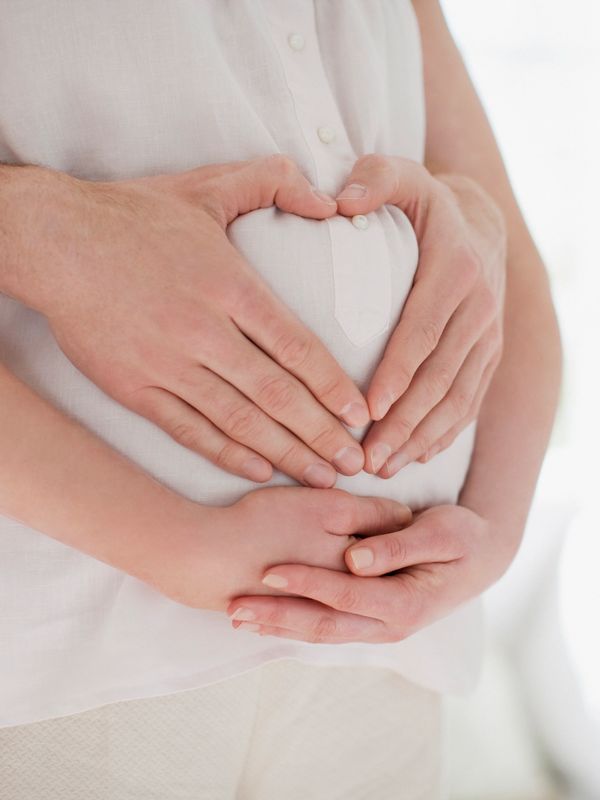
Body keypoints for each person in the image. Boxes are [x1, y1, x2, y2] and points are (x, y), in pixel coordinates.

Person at [0, 1, 561, 798]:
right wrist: (45, 231)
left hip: (387, 659)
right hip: (61, 641)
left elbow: (508, 258)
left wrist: (490, 535)